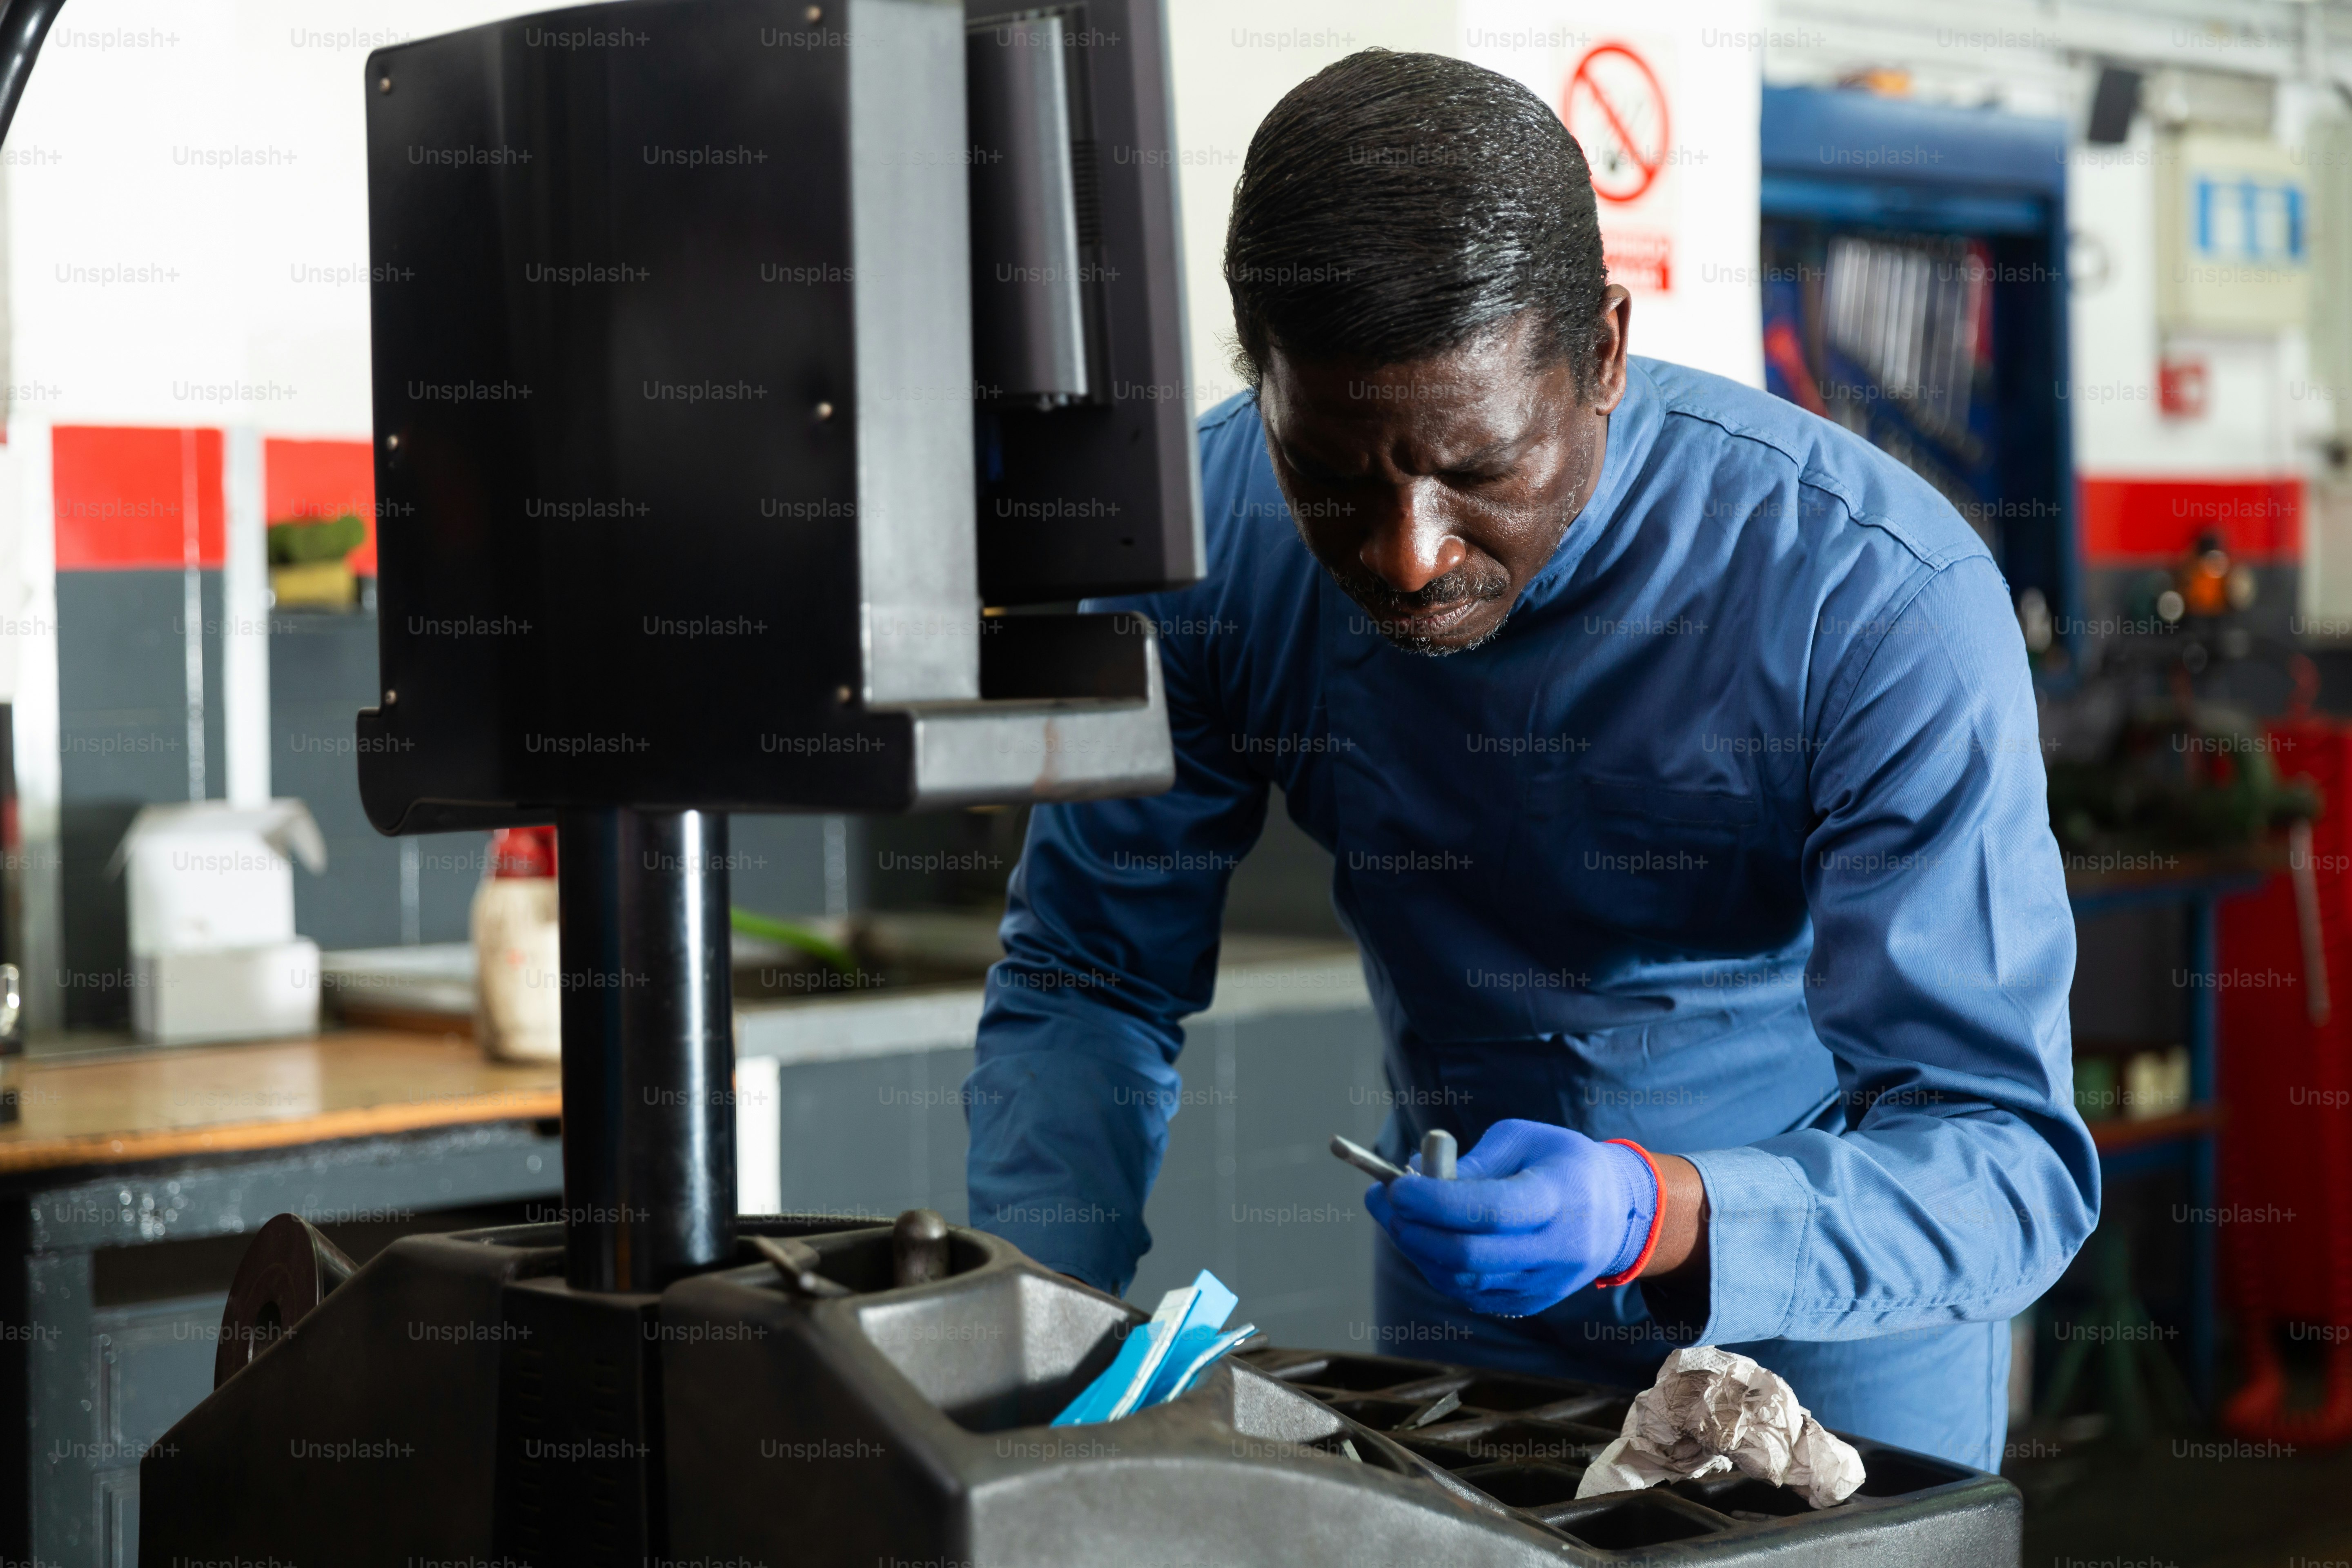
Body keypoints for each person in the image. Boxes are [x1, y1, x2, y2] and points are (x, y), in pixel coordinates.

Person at [964, 49, 2096, 1471]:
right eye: (1332, 479)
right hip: (1477, 1322)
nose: (1406, 554)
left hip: (1828, 1314)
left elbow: (2004, 1163)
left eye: (1480, 471)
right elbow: (1089, 978)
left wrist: (1657, 1213)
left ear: (1606, 351)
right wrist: (1035, 1353)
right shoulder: (1209, 557)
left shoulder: (1870, 599)